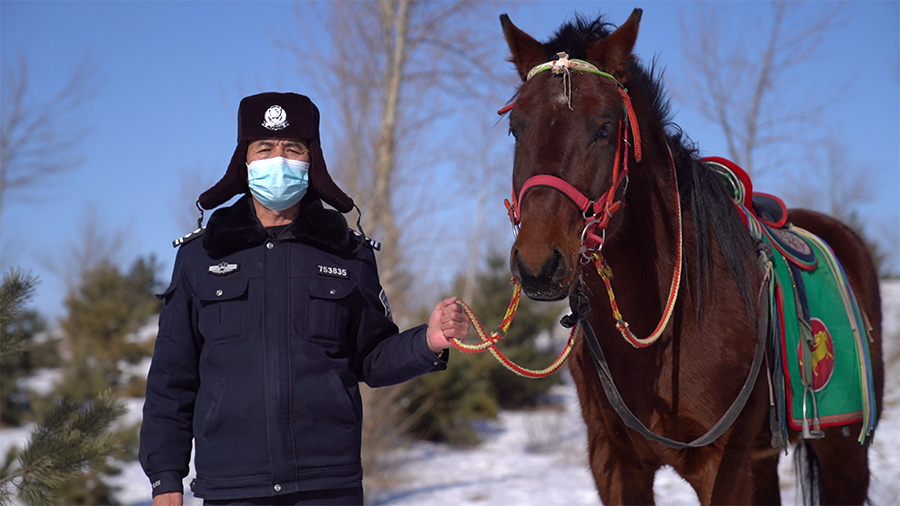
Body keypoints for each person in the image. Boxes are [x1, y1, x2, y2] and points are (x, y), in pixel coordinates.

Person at [139, 92, 469, 506]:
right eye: (265, 148)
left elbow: (371, 356)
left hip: (328, 484)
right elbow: (173, 377)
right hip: (232, 486)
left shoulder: (348, 253)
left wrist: (427, 341)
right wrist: (165, 476)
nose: (278, 160)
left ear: (311, 161)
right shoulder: (200, 256)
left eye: (292, 148)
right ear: (244, 160)